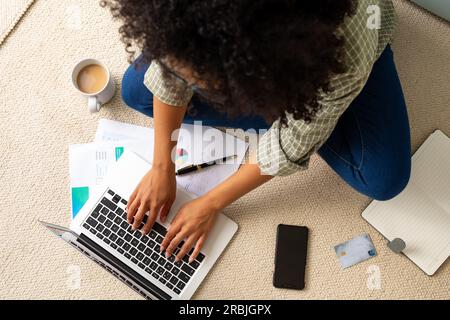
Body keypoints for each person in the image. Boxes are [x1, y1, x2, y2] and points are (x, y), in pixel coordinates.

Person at [102, 0, 411, 263]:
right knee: (135, 90)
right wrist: (161, 166)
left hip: (331, 56)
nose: (195, 87)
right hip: (267, 66)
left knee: (383, 179)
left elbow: (288, 144)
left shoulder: (345, 55)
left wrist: (210, 202)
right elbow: (168, 75)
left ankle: (312, 116)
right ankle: (309, 119)